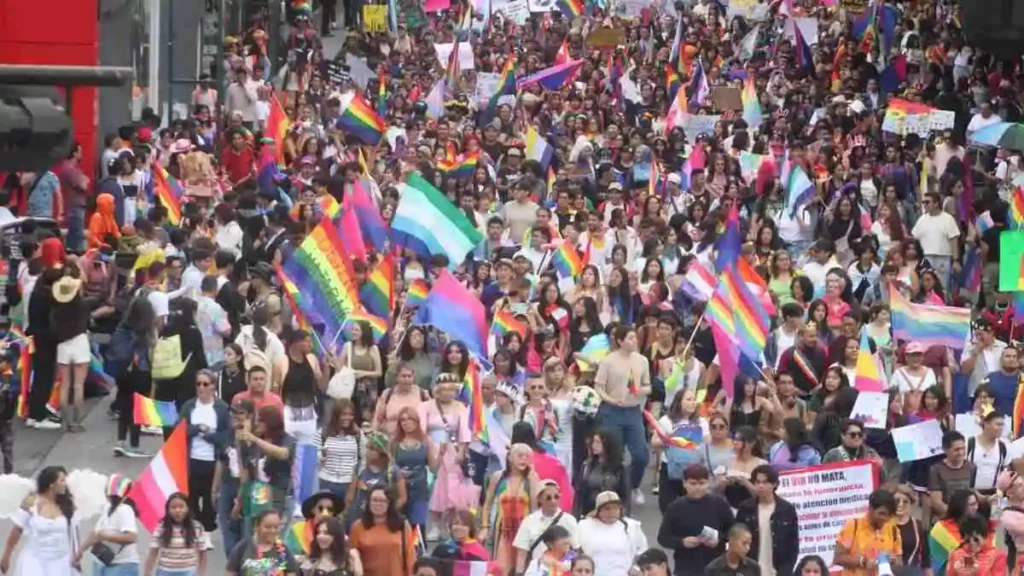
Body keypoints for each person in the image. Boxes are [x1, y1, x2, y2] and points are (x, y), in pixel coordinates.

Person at [594, 325, 652, 504]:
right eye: (630, 338)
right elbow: (598, 386)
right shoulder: (608, 361)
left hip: (633, 411)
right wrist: (610, 400)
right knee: (615, 454)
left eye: (635, 338)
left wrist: (640, 390)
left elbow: (648, 386)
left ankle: (632, 485)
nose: (634, 341)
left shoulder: (642, 361)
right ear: (619, 341)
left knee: (641, 454)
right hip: (612, 411)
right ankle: (614, 490)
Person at [0, 465, 78, 576]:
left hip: (61, 564)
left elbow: (74, 532)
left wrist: (76, 554)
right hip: (36, 564)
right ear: (52, 484)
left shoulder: (67, 504)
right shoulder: (31, 502)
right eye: (62, 480)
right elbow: (17, 530)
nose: (66, 483)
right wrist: (6, 556)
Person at [658, 464, 735, 576]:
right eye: (693, 484)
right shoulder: (675, 508)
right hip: (686, 566)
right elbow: (663, 538)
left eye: (702, 483)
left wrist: (719, 539)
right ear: (684, 483)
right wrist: (682, 542)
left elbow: (733, 529)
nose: (697, 487)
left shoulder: (719, 504)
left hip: (717, 565)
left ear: (708, 483)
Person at [180, 369, 231, 532]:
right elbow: (179, 430)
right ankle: (194, 531)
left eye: (205, 384)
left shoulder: (222, 408)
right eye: (198, 384)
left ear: (213, 386)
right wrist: (196, 428)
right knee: (192, 499)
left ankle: (207, 530)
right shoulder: (189, 406)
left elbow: (226, 436)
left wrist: (209, 436)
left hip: (212, 462)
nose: (201, 388)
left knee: (210, 500)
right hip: (192, 460)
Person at [734, 465, 799, 576]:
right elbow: (737, 540)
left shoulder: (786, 509)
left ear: (774, 484)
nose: (760, 486)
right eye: (757, 482)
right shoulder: (746, 508)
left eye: (765, 482)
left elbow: (792, 545)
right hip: (750, 570)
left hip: (777, 571)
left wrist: (786, 571)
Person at [512, 479, 579, 574]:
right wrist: (519, 573)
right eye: (548, 497)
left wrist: (558, 564)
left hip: (564, 571)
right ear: (539, 499)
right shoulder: (529, 521)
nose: (553, 501)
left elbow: (575, 550)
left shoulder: (569, 520)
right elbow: (522, 554)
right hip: (538, 571)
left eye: (556, 497)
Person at [348, 487, 417, 576]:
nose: (378, 504)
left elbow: (410, 557)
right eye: (374, 500)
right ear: (368, 503)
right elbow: (353, 557)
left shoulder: (402, 525)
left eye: (382, 501)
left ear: (390, 503)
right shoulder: (357, 526)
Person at [833, 489, 903, 576]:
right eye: (882, 513)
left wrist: (893, 561)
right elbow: (838, 558)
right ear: (870, 508)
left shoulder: (894, 530)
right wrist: (863, 562)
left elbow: (899, 564)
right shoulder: (853, 525)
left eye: (889, 515)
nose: (885, 519)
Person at [576, 491, 648, 576]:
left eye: (615, 508)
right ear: (598, 511)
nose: (612, 512)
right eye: (607, 508)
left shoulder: (631, 527)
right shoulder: (584, 526)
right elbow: (573, 551)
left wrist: (636, 568)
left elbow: (643, 553)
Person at [81, 474, 139, 576]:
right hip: (102, 562)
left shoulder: (125, 509)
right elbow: (95, 534)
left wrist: (107, 536)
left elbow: (132, 537)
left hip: (121, 565)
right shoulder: (108, 507)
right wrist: (79, 552)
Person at [143, 492, 210, 576]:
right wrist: (147, 573)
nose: (177, 510)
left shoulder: (197, 527)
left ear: (188, 508)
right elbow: (153, 552)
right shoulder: (161, 528)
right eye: (173, 507)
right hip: (165, 572)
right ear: (168, 510)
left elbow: (203, 553)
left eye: (181, 506)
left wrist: (201, 574)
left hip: (188, 572)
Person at [314, 399, 364, 499]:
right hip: (326, 481)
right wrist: (320, 457)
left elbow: (363, 458)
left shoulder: (358, 434)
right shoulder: (323, 432)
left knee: (346, 513)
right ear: (336, 415)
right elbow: (314, 453)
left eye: (351, 414)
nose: (347, 418)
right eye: (344, 414)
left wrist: (357, 479)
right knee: (327, 513)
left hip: (349, 483)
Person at [575, 428, 630, 517]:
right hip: (589, 513)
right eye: (593, 442)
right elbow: (580, 493)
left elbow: (626, 495)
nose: (594, 446)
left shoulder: (620, 467)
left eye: (597, 442)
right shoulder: (587, 465)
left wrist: (624, 515)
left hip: (612, 513)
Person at [226, 509, 297, 576]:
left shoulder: (283, 550)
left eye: (276, 527)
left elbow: (291, 573)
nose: (272, 531)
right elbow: (230, 572)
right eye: (267, 527)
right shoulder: (243, 547)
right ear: (256, 527)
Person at [930, 431, 977, 519]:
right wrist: (955, 514)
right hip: (945, 518)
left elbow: (972, 491)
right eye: (956, 450)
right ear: (945, 450)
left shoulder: (971, 467)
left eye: (963, 449)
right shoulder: (936, 469)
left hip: (966, 518)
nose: (961, 453)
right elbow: (936, 502)